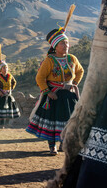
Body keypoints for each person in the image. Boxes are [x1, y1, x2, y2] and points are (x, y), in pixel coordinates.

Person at [26, 24, 84, 155]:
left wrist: (73, 83)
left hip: (68, 96)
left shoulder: (72, 58)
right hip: (54, 95)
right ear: (55, 46)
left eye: (67, 42)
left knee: (68, 119)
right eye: (63, 43)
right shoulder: (49, 61)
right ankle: (52, 146)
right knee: (52, 121)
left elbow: (80, 71)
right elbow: (40, 78)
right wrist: (48, 92)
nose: (66, 45)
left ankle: (64, 143)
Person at [0, 60, 20, 125]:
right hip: (1, 96)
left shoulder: (10, 76)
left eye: (6, 67)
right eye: (4, 68)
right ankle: (2, 124)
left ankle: (7, 124)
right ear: (0, 70)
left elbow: (14, 82)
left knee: (9, 110)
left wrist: (11, 89)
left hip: (8, 95)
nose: (5, 69)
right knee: (1, 110)